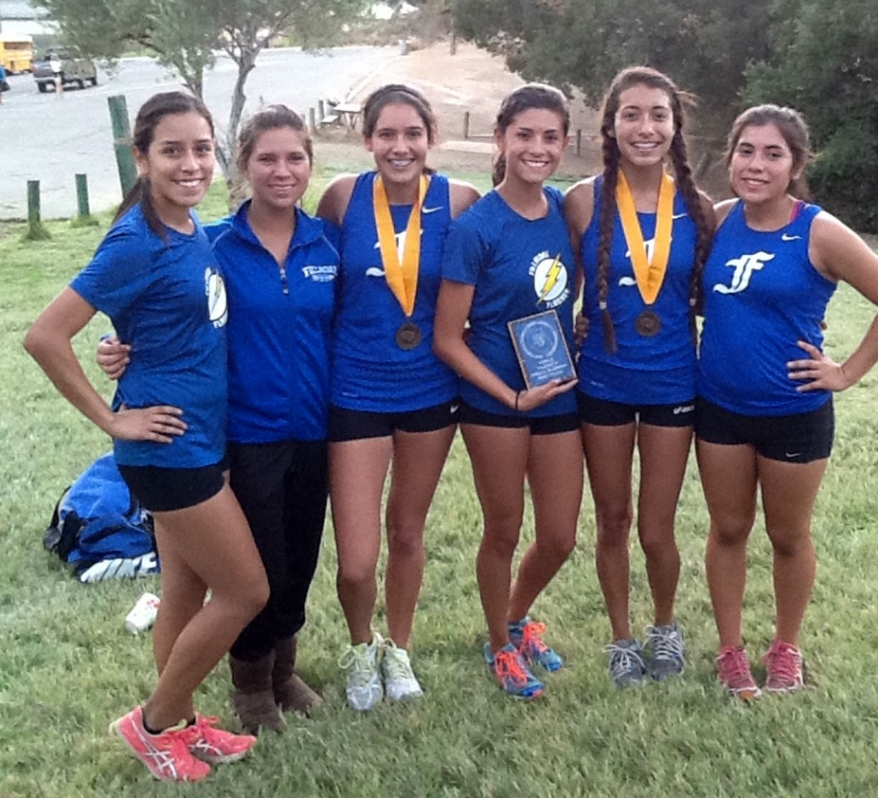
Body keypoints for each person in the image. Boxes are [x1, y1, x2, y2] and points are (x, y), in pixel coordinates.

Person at [24, 91, 267, 782]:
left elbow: (160, 321)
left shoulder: (190, 228)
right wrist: (110, 418)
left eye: (201, 148)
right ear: (142, 156)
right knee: (246, 591)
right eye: (172, 150)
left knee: (187, 595)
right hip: (167, 452)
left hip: (201, 441)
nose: (190, 163)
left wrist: (121, 344)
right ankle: (154, 723)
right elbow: (44, 335)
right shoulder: (137, 238)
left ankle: (184, 724)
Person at [99, 105, 340, 732]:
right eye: (267, 158)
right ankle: (250, 685)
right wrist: (120, 352)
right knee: (255, 571)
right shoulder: (216, 246)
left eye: (295, 158)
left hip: (314, 432)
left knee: (299, 562)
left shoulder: (325, 244)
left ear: (310, 164)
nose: (282, 170)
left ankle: (284, 672)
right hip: (241, 436)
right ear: (244, 166)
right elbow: (165, 314)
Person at [695, 104, 878, 699]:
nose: (757, 164)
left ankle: (786, 648)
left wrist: (846, 372)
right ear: (731, 156)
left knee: (788, 536)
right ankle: (730, 651)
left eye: (774, 154)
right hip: (718, 407)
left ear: (795, 165)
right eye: (747, 150)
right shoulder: (715, 222)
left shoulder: (818, 230)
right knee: (728, 529)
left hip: (794, 412)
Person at [315, 84, 480, 711]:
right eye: (386, 134)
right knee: (358, 559)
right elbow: (304, 273)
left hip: (431, 391)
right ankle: (361, 648)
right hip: (355, 388)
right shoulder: (342, 196)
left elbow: (508, 264)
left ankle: (399, 649)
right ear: (367, 140)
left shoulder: (460, 201)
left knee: (407, 533)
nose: (400, 146)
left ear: (430, 138)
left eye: (412, 134)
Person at [563, 66, 714, 688]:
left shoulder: (700, 207)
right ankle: (622, 638)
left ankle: (665, 626)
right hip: (601, 383)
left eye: (658, 114)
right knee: (613, 519)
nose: (645, 127)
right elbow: (550, 289)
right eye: (632, 114)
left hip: (674, 384)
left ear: (674, 126)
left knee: (657, 527)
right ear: (611, 124)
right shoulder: (580, 200)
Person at [434, 83, 583, 700]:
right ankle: (499, 644)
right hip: (497, 401)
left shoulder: (565, 213)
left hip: (559, 391)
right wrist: (509, 395)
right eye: (525, 135)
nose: (537, 148)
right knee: (503, 528)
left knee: (559, 536)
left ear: (565, 144)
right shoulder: (477, 228)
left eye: (550, 137)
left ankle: (517, 617)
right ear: (500, 140)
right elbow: (448, 338)